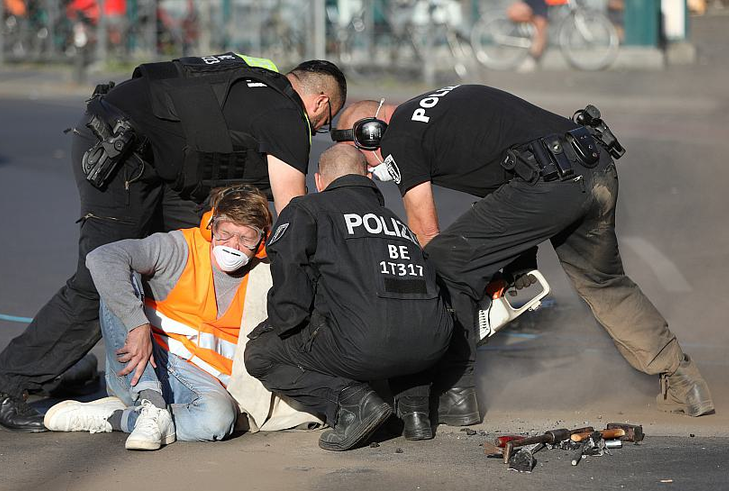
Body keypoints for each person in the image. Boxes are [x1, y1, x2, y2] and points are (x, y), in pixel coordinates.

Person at [0, 53, 347, 432]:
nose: (317, 129)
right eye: (323, 123)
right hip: (119, 152)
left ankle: (173, 371)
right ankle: (2, 387)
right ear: (320, 103)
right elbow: (292, 212)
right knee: (96, 281)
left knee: (198, 252)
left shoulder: (256, 81)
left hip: (156, 160)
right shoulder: (287, 114)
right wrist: (318, 277)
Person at [334, 88, 715, 423]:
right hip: (594, 166)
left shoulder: (401, 134)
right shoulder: (443, 103)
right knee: (604, 283)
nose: (369, 171)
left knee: (446, 262)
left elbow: (426, 232)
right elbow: (507, 194)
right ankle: (684, 379)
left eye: (362, 159)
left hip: (549, 180)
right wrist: (516, 264)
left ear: (371, 132)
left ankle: (456, 395)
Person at [244, 145, 453, 451]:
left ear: (319, 180)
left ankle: (352, 404)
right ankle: (416, 412)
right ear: (368, 176)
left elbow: (290, 284)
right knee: (400, 315)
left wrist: (283, 325)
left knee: (261, 353)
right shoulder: (395, 221)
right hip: (434, 343)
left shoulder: (307, 210)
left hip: (366, 343)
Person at [43, 185, 271, 450]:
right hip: (141, 363)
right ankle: (150, 403)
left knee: (218, 421)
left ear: (262, 241)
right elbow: (102, 257)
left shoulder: (264, 278)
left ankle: (117, 417)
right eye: (226, 233)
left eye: (246, 239)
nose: (233, 246)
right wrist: (137, 324)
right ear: (210, 226)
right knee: (119, 277)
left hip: (197, 381)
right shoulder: (180, 248)